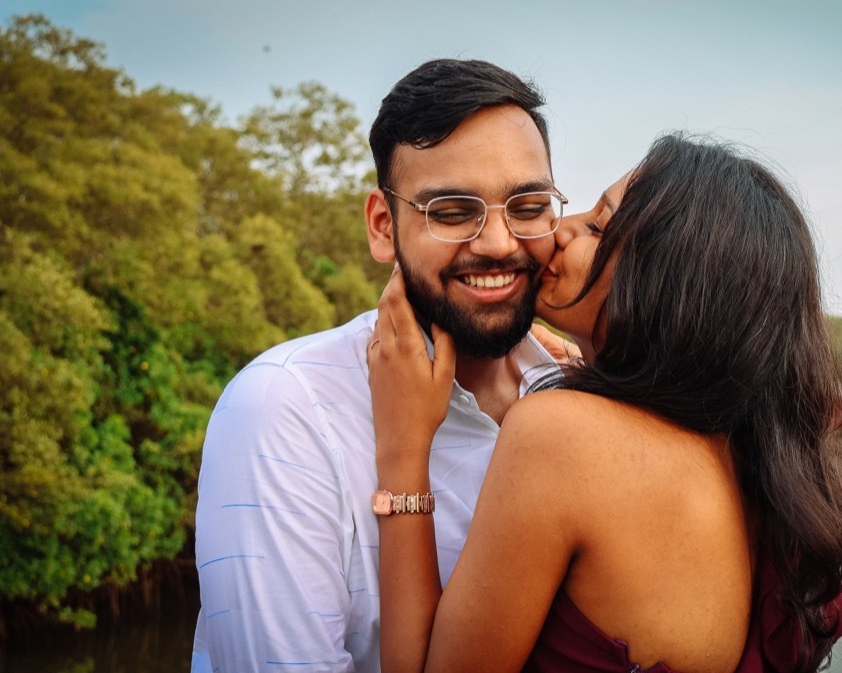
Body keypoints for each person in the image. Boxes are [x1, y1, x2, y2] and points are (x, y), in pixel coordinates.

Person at [368, 133, 842, 673]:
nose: (560, 230)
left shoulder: (562, 434)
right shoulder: (743, 462)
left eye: (598, 227)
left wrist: (404, 446)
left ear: (664, 283)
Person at [190, 59, 568, 673]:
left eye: (527, 206)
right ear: (383, 225)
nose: (499, 243)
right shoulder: (285, 408)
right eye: (452, 211)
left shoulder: (577, 393)